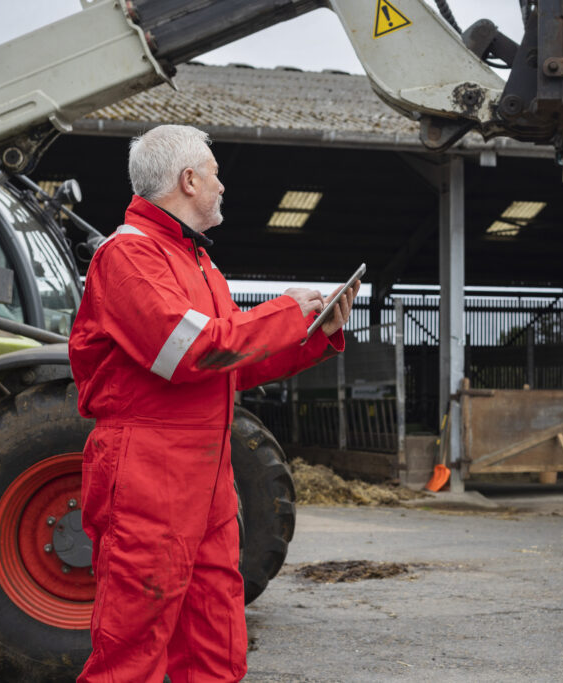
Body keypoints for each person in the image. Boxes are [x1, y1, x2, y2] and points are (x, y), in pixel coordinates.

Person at [68, 124, 358, 682]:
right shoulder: (127, 257)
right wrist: (284, 312)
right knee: (132, 650)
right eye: (217, 174)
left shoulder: (197, 263)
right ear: (189, 179)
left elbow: (231, 364)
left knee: (216, 641)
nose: (223, 186)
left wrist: (314, 333)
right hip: (148, 474)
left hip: (205, 475)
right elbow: (189, 352)